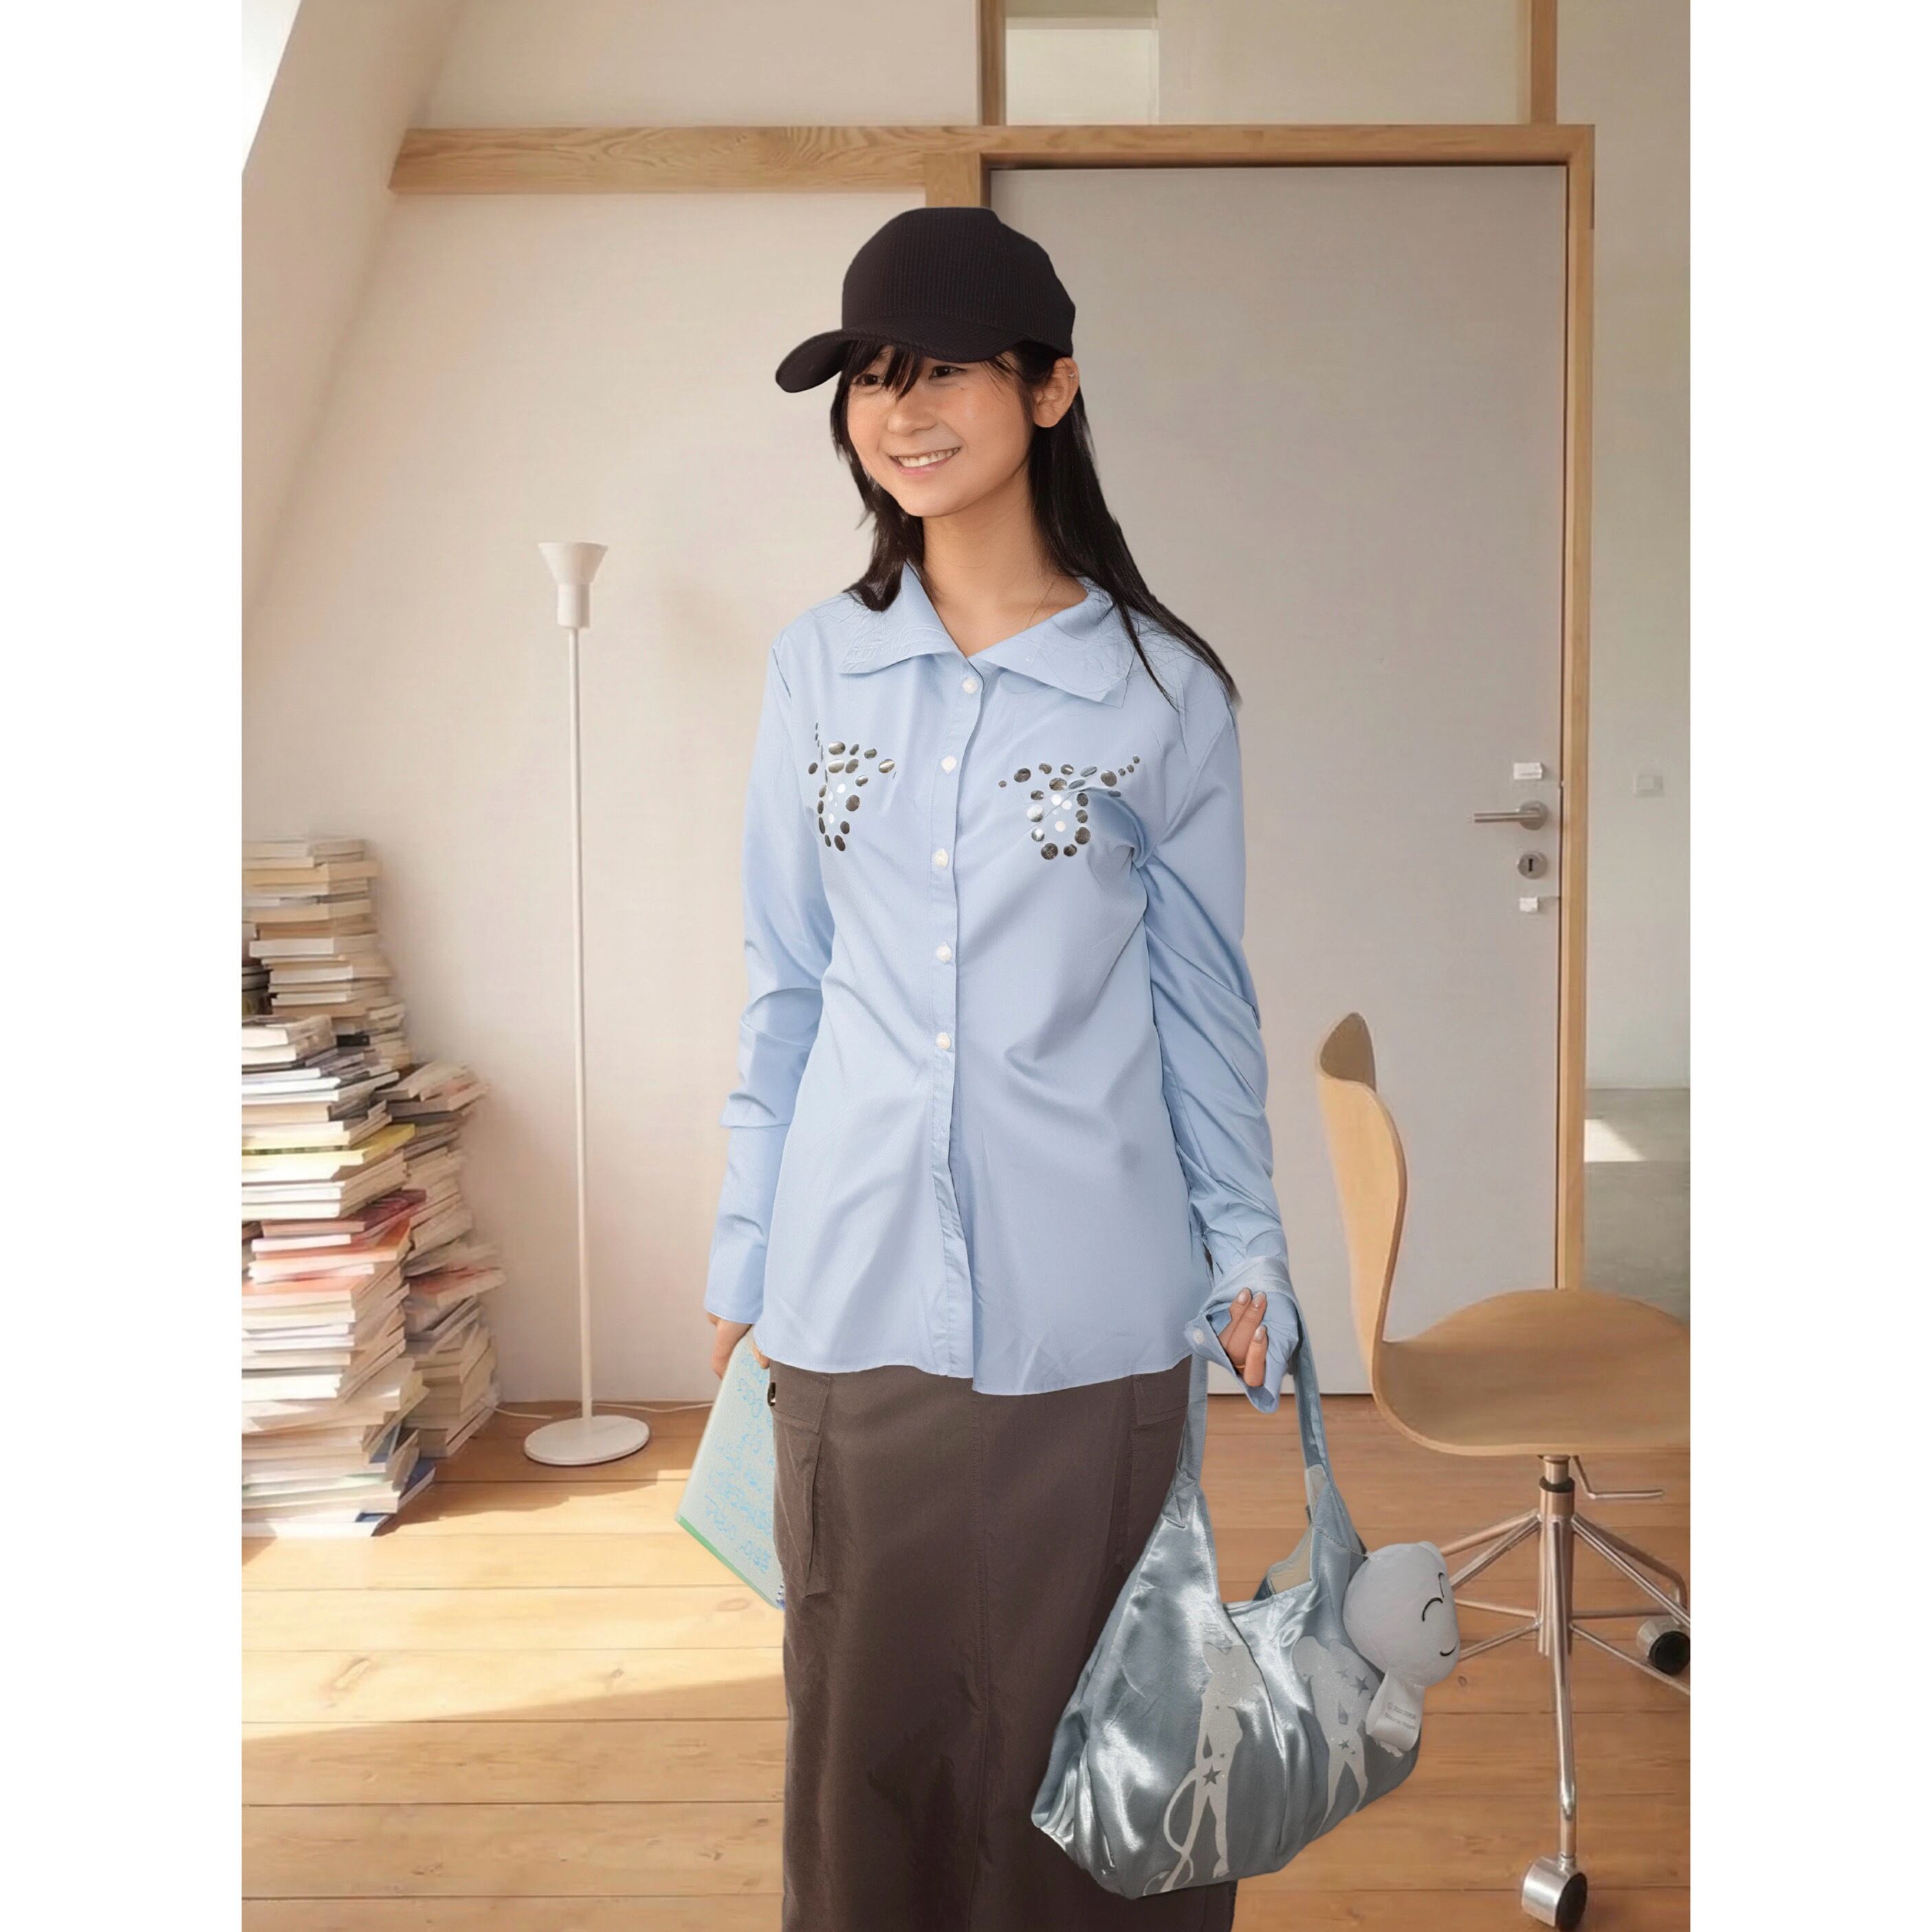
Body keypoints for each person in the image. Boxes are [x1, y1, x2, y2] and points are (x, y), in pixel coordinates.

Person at [703, 205, 1303, 1932]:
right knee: (868, 1765)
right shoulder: (814, 667)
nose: (899, 412)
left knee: (1099, 1768)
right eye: (869, 380)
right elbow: (786, 985)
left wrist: (1248, 1243)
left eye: (944, 371)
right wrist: (743, 1261)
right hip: (848, 1294)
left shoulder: (1161, 693)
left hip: (1092, 1307)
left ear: (1050, 389)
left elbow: (1203, 1002)